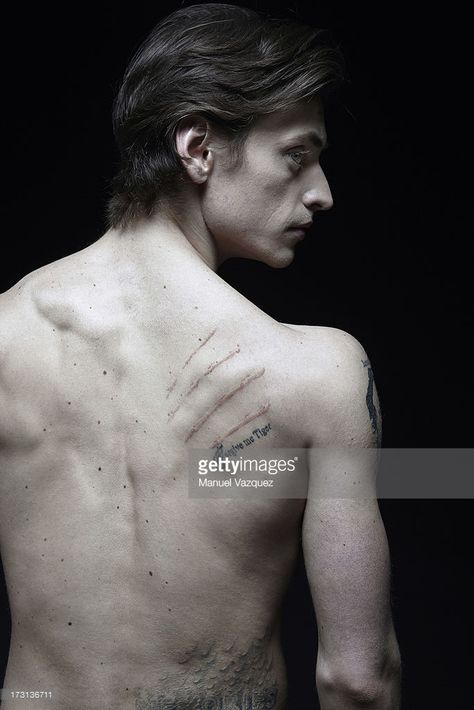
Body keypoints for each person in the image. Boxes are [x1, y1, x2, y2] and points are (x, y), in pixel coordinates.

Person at [0, 4, 401, 708]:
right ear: (198, 148)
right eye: (297, 156)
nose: (322, 193)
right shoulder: (317, 373)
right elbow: (357, 680)